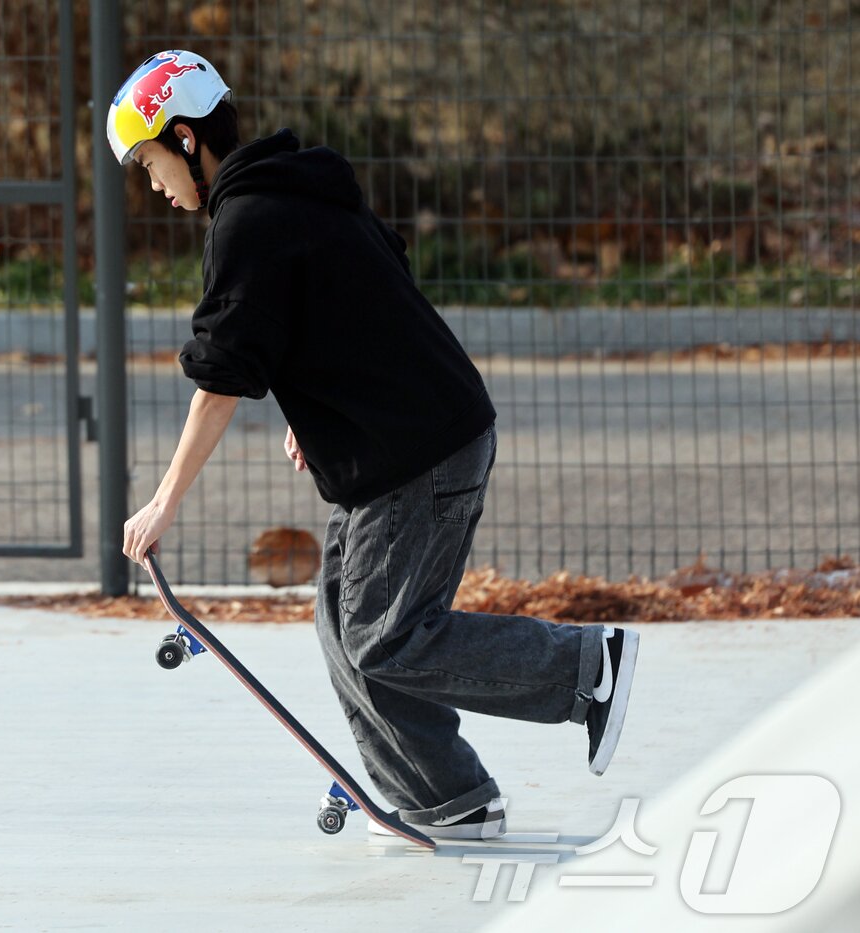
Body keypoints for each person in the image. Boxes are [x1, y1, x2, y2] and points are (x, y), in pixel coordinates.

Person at [107, 50, 640, 840]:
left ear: (186, 139)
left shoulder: (249, 219)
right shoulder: (297, 190)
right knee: (345, 624)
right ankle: (448, 797)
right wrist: (317, 397)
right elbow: (361, 287)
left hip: (417, 455)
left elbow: (221, 377)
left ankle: (585, 668)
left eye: (151, 163)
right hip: (399, 442)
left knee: (387, 637)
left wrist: (163, 500)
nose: (154, 186)